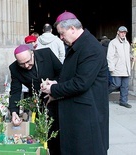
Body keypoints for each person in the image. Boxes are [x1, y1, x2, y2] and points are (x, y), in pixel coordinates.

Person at [41, 11, 109, 155]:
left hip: (87, 115)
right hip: (77, 113)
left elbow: (81, 83)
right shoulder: (78, 45)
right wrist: (55, 83)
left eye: (62, 33)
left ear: (72, 28)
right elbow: (71, 74)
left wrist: (53, 89)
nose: (61, 37)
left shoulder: (90, 47)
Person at [9, 44, 62, 155]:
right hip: (41, 104)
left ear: (32, 53)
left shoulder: (46, 54)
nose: (27, 66)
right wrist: (14, 112)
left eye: (28, 61)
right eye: (22, 64)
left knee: (62, 135)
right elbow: (15, 91)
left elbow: (62, 73)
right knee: (46, 136)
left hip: (59, 98)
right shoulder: (14, 68)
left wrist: (54, 88)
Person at [107, 26, 132, 108]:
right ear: (118, 32)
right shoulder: (113, 43)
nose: (123, 34)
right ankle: (102, 95)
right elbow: (109, 56)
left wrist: (131, 56)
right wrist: (111, 68)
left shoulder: (127, 43)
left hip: (126, 69)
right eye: (121, 32)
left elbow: (126, 54)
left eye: (124, 32)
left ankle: (123, 101)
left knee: (125, 86)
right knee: (116, 84)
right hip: (117, 68)